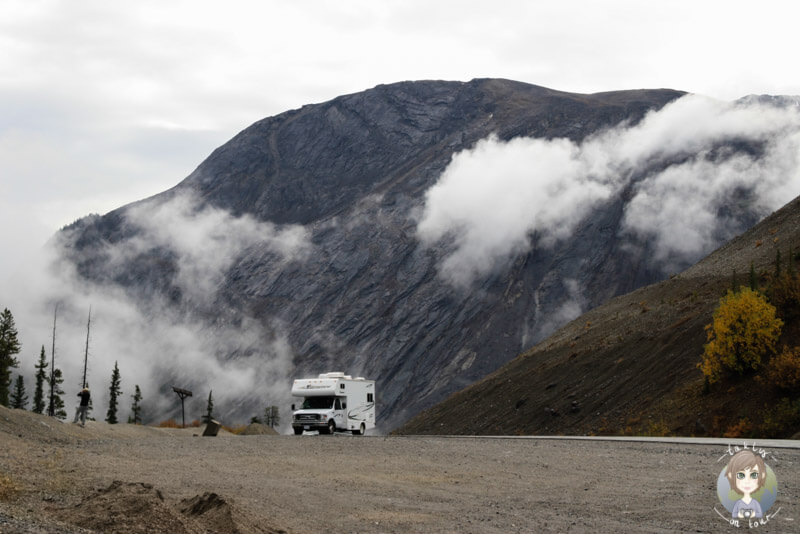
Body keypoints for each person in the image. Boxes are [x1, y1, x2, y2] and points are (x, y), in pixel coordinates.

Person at [725, 449, 767, 519]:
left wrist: (753, 514)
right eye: (741, 475)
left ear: (762, 475)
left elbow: (759, 513)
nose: (747, 481)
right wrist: (739, 514)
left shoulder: (755, 503)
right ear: (731, 476)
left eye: (754, 475)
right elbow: (734, 514)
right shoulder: (738, 503)